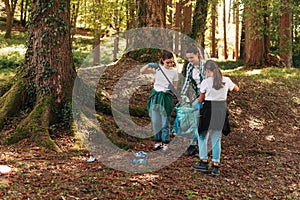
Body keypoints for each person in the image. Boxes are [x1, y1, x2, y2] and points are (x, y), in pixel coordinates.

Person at [192, 60, 239, 176]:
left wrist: (194, 103)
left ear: (208, 71)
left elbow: (201, 99)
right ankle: (215, 166)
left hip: (208, 110)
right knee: (216, 138)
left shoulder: (206, 82)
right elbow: (236, 89)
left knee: (202, 135)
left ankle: (203, 162)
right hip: (221, 110)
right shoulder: (226, 80)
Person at [140, 51, 179, 152]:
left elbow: (175, 87)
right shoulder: (158, 69)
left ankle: (165, 143)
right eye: (167, 62)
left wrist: (172, 87)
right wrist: (149, 65)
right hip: (156, 96)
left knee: (165, 121)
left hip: (166, 97)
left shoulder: (174, 72)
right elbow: (142, 71)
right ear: (163, 61)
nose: (170, 64)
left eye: (171, 62)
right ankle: (157, 142)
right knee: (155, 121)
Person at [179, 45, 206, 156]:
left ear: (198, 55)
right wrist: (182, 95)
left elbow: (207, 81)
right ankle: (192, 144)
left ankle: (202, 145)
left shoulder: (204, 65)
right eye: (188, 58)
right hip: (197, 93)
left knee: (202, 119)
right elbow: (187, 81)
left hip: (206, 93)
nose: (190, 60)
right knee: (194, 118)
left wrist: (203, 96)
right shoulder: (190, 66)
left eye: (192, 57)